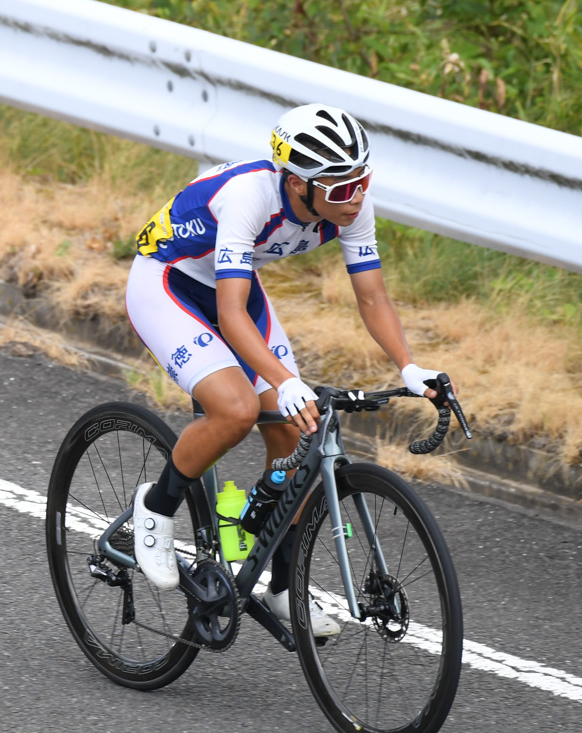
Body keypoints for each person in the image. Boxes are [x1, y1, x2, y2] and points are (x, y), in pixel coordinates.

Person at [124, 104, 454, 636]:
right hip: (168, 283)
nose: (358, 196)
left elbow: (371, 297)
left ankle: (281, 589)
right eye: (343, 187)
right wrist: (283, 380)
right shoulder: (249, 197)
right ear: (299, 184)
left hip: (235, 286)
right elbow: (230, 314)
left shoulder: (348, 204)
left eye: (363, 181)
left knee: (294, 434)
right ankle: (157, 507)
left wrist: (410, 366)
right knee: (235, 411)